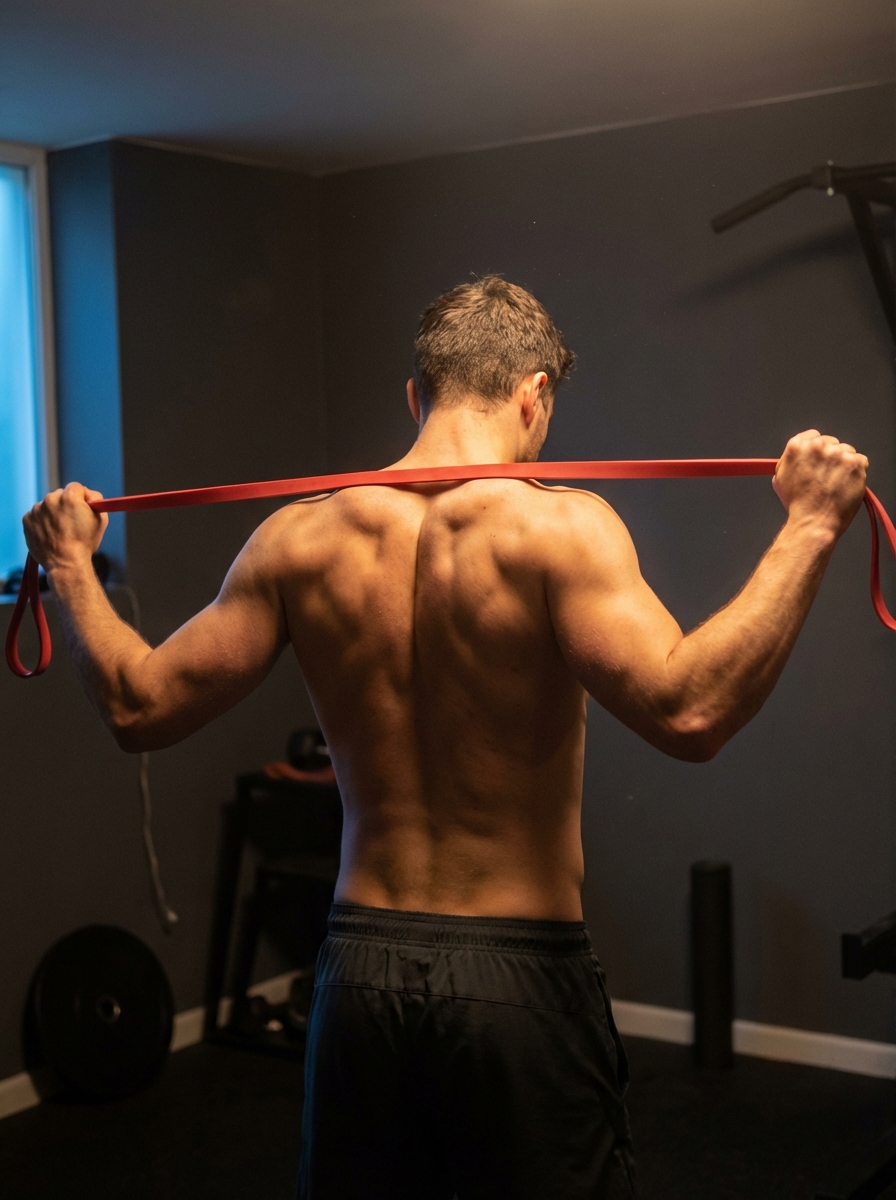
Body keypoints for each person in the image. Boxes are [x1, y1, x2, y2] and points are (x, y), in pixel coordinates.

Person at [23, 277, 868, 1199]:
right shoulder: (560, 530)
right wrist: (813, 524)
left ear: (416, 395)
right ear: (534, 398)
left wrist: (70, 564)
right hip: (517, 979)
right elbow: (690, 711)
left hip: (358, 976)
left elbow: (140, 707)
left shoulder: (298, 541)